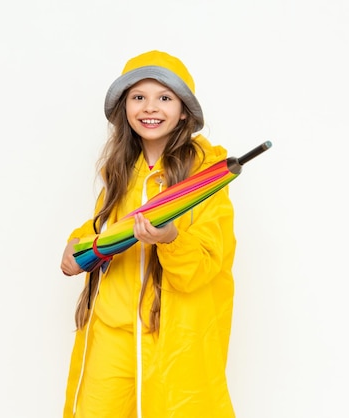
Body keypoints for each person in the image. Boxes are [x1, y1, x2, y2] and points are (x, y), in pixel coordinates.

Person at [60, 50, 237, 418]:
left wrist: (170, 239)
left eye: (164, 97)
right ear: (125, 107)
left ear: (184, 110)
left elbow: (204, 266)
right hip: (113, 332)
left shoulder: (207, 178)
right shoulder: (122, 168)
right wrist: (77, 246)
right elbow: (105, 226)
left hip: (171, 339)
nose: (149, 108)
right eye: (138, 97)